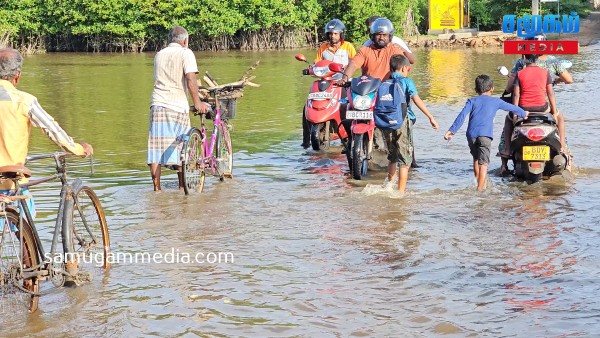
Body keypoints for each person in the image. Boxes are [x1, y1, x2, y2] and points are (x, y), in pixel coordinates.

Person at [0, 47, 93, 218]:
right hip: (10, 179)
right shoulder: (24, 101)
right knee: (25, 232)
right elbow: (53, 130)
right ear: (17, 76)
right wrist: (79, 149)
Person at [499, 34, 572, 174]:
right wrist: (554, 111)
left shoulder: (520, 66)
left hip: (523, 108)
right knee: (560, 118)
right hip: (544, 108)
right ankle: (563, 148)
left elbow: (514, 92)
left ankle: (506, 154)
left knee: (508, 120)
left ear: (525, 55)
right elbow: (561, 86)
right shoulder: (550, 65)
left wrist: (515, 111)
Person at [148, 26, 210, 191]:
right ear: (185, 41)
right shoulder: (186, 53)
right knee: (182, 145)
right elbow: (190, 78)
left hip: (158, 104)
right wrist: (197, 103)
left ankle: (157, 189)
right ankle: (182, 187)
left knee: (155, 147)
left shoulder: (159, 54)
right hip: (177, 105)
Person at [444, 75, 528, 191]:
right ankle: (480, 190)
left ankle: (477, 181)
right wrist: (524, 114)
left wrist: (452, 131)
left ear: (476, 90)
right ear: (492, 89)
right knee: (484, 163)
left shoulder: (471, 101)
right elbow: (513, 108)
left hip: (471, 135)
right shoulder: (496, 101)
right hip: (485, 135)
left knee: (476, 159)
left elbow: (462, 116)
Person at [383, 54, 438, 193]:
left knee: (392, 157)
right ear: (403, 69)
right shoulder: (407, 82)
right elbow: (417, 100)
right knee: (405, 160)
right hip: (403, 121)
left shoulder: (384, 83)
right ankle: (401, 193)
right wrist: (430, 117)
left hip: (387, 122)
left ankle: (389, 187)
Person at [302, 19, 356, 148]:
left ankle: (354, 133)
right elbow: (317, 63)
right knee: (307, 106)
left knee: (353, 104)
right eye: (330, 34)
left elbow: (355, 62)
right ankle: (305, 139)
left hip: (344, 81)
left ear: (341, 34)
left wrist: (346, 71)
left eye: (335, 33)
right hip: (326, 82)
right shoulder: (323, 48)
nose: (333, 36)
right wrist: (310, 69)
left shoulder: (348, 46)